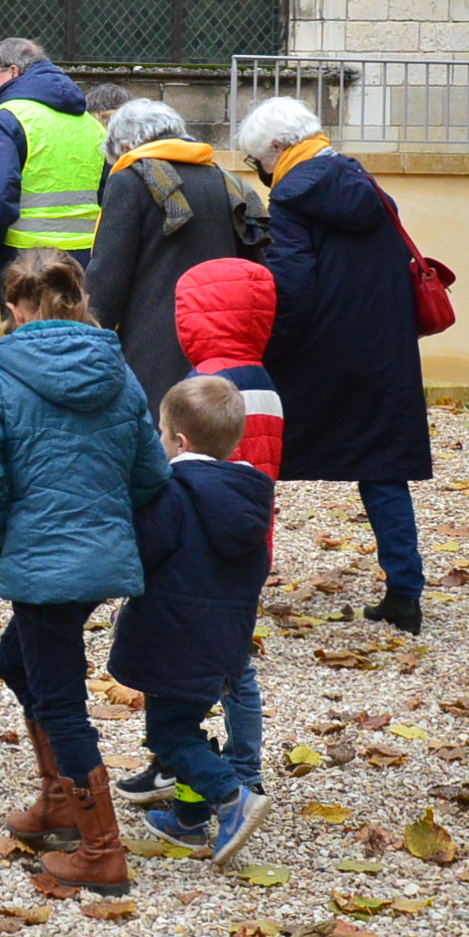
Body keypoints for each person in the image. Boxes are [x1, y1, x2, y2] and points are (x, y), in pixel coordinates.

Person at [0, 248, 173, 898]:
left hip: (43, 562)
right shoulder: (117, 370)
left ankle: (102, 851)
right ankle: (58, 801)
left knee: (60, 702)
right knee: (17, 664)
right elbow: (151, 472)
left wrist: (4, 533)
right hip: (100, 557)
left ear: (16, 308)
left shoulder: (1, 373)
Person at [234, 95, 434, 635]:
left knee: (260, 460)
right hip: (383, 349)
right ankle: (405, 593)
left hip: (319, 353)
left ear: (279, 147)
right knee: (383, 469)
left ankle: (237, 584)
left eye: (260, 159)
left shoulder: (291, 194)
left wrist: (267, 349)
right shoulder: (363, 181)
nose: (262, 170)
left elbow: (293, 286)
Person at [120, 256, 280, 817]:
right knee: (222, 689)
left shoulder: (176, 486)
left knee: (172, 727)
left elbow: (146, 549)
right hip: (233, 582)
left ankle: (233, 789)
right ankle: (191, 814)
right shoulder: (261, 390)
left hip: (178, 616)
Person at [84, 97, 248, 409]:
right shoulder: (225, 180)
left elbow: (108, 275)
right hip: (219, 344)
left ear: (127, 146)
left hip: (153, 348)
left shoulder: (130, 180)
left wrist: (90, 340)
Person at [0, 36, 104, 300]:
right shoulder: (90, 124)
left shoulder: (7, 118)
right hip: (83, 263)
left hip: (25, 265)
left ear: (13, 71)